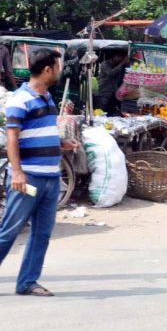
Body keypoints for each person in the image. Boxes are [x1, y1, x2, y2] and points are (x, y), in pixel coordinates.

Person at [0, 48, 79, 297]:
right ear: (47, 70)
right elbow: (12, 139)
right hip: (29, 176)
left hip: (51, 176)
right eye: (57, 67)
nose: (58, 71)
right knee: (9, 231)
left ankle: (28, 282)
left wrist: (60, 144)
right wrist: (18, 173)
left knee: (42, 233)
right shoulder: (19, 99)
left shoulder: (47, 97)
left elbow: (38, 132)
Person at [94, 49, 128, 116]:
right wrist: (122, 63)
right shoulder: (105, 64)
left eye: (122, 58)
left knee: (109, 113)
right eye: (119, 57)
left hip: (112, 95)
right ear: (114, 57)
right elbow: (111, 73)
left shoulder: (120, 66)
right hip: (103, 94)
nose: (120, 60)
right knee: (99, 113)